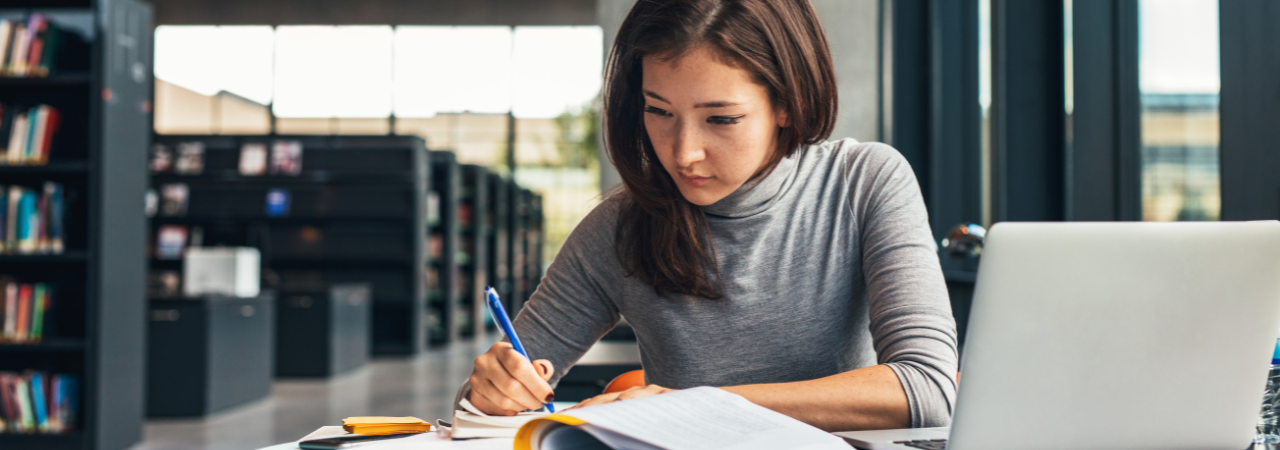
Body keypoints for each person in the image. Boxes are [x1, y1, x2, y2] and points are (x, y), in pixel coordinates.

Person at [457, 0, 957, 432]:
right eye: (659, 111)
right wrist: (491, 393)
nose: (683, 153)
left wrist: (693, 407)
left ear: (786, 102)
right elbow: (474, 412)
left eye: (721, 118)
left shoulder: (864, 182)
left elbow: (928, 389)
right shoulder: (618, 227)